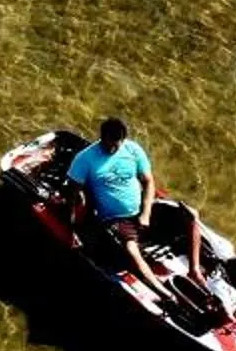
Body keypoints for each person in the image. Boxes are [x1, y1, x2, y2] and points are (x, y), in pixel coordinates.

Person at [66, 118, 163, 284]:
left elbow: (148, 181)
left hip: (142, 209)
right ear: (102, 138)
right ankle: (164, 293)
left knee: (190, 215)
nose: (112, 149)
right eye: (109, 144)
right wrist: (73, 224)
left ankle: (195, 269)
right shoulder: (85, 159)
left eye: (116, 145)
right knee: (131, 249)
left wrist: (146, 214)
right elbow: (72, 191)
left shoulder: (133, 150)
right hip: (116, 219)